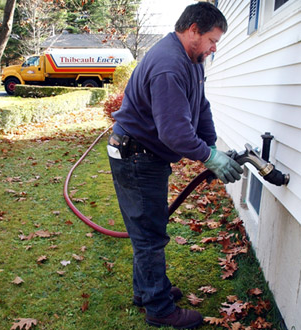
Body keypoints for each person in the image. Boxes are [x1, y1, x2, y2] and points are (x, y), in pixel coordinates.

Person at [107, 2, 243, 329]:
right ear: (193, 29)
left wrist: (210, 144)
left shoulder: (192, 59)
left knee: (148, 229)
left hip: (146, 154)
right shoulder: (169, 65)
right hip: (136, 156)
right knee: (150, 236)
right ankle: (159, 308)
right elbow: (174, 132)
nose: (213, 48)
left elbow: (201, 104)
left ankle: (147, 290)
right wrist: (208, 157)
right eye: (212, 40)